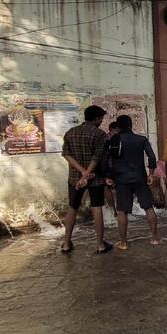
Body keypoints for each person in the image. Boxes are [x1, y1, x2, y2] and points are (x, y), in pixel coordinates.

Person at [60, 105, 111, 254]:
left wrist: (82, 173)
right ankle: (100, 244)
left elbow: (66, 154)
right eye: (101, 118)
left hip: (75, 178)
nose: (101, 121)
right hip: (94, 178)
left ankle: (66, 243)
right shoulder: (99, 134)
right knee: (97, 207)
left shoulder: (70, 133)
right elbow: (97, 157)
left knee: (72, 207)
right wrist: (87, 173)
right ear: (96, 118)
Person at [104, 115, 159, 249]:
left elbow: (106, 159)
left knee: (122, 211)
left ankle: (123, 242)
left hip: (121, 179)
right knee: (148, 207)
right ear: (131, 125)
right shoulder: (141, 139)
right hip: (140, 177)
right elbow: (152, 157)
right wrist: (151, 174)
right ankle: (155, 238)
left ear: (118, 127)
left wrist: (108, 176)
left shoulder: (114, 140)